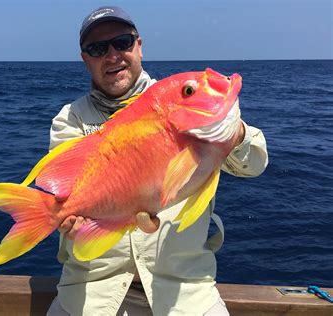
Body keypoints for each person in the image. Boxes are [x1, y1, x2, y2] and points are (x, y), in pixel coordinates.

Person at [47, 6, 268, 316]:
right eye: (98, 48)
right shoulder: (69, 120)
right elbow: (70, 198)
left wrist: (233, 130)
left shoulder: (175, 97)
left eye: (122, 42)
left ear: (139, 45)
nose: (113, 55)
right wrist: (75, 225)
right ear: (86, 59)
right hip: (92, 292)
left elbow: (255, 164)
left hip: (186, 293)